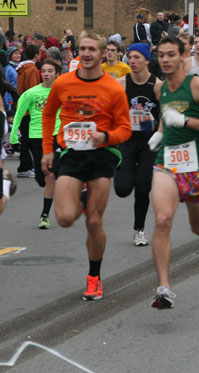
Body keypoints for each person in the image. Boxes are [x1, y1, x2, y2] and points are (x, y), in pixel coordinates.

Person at [41, 31, 132, 301]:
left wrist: (106, 136)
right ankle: (81, 198)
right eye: (83, 48)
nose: (87, 53)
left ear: (104, 53)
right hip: (72, 154)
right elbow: (48, 115)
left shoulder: (113, 87)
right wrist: (47, 151)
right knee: (65, 218)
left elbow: (125, 129)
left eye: (92, 49)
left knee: (94, 220)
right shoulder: (63, 83)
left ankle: (94, 277)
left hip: (102, 155)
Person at [148, 37, 199, 309]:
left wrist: (185, 121)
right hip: (167, 160)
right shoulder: (161, 89)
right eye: (161, 55)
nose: (166, 60)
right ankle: (164, 287)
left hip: (197, 164)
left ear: (183, 57)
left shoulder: (197, 85)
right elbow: (165, 115)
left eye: (171, 55)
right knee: (163, 219)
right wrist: (160, 133)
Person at [114, 43, 160, 246]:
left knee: (143, 188)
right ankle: (125, 173)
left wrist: (155, 125)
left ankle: (138, 229)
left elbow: (167, 115)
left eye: (137, 57)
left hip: (149, 143)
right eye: (130, 57)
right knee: (123, 189)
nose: (132, 61)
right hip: (127, 140)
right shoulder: (121, 84)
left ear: (147, 60)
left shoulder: (157, 85)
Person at [10, 58, 61, 229]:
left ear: (57, 73)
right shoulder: (31, 93)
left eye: (50, 71)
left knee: (51, 174)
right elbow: (19, 114)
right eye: (44, 71)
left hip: (56, 136)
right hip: (36, 137)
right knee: (42, 178)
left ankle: (44, 214)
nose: (46, 74)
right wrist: (13, 136)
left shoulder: (62, 92)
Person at [16, 44, 41, 177]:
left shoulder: (22, 68)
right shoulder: (31, 69)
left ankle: (28, 165)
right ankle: (25, 167)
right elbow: (33, 90)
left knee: (27, 138)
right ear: (36, 55)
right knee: (28, 139)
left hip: (23, 107)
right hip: (29, 110)